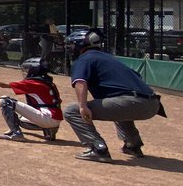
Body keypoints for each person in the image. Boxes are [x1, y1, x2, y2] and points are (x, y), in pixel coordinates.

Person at [64, 30, 165, 162]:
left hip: (130, 103)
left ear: (81, 45)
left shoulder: (85, 58)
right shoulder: (109, 58)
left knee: (71, 111)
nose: (70, 49)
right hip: (153, 104)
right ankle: (132, 145)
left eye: (72, 45)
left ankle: (98, 148)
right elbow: (137, 77)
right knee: (118, 104)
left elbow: (80, 82)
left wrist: (83, 106)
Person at [0, 59, 63, 141]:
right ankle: (49, 129)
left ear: (34, 71)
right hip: (55, 118)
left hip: (47, 118)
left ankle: (16, 133)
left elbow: (3, 85)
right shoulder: (46, 82)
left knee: (5, 101)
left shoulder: (33, 83)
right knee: (20, 120)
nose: (25, 72)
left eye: (27, 70)